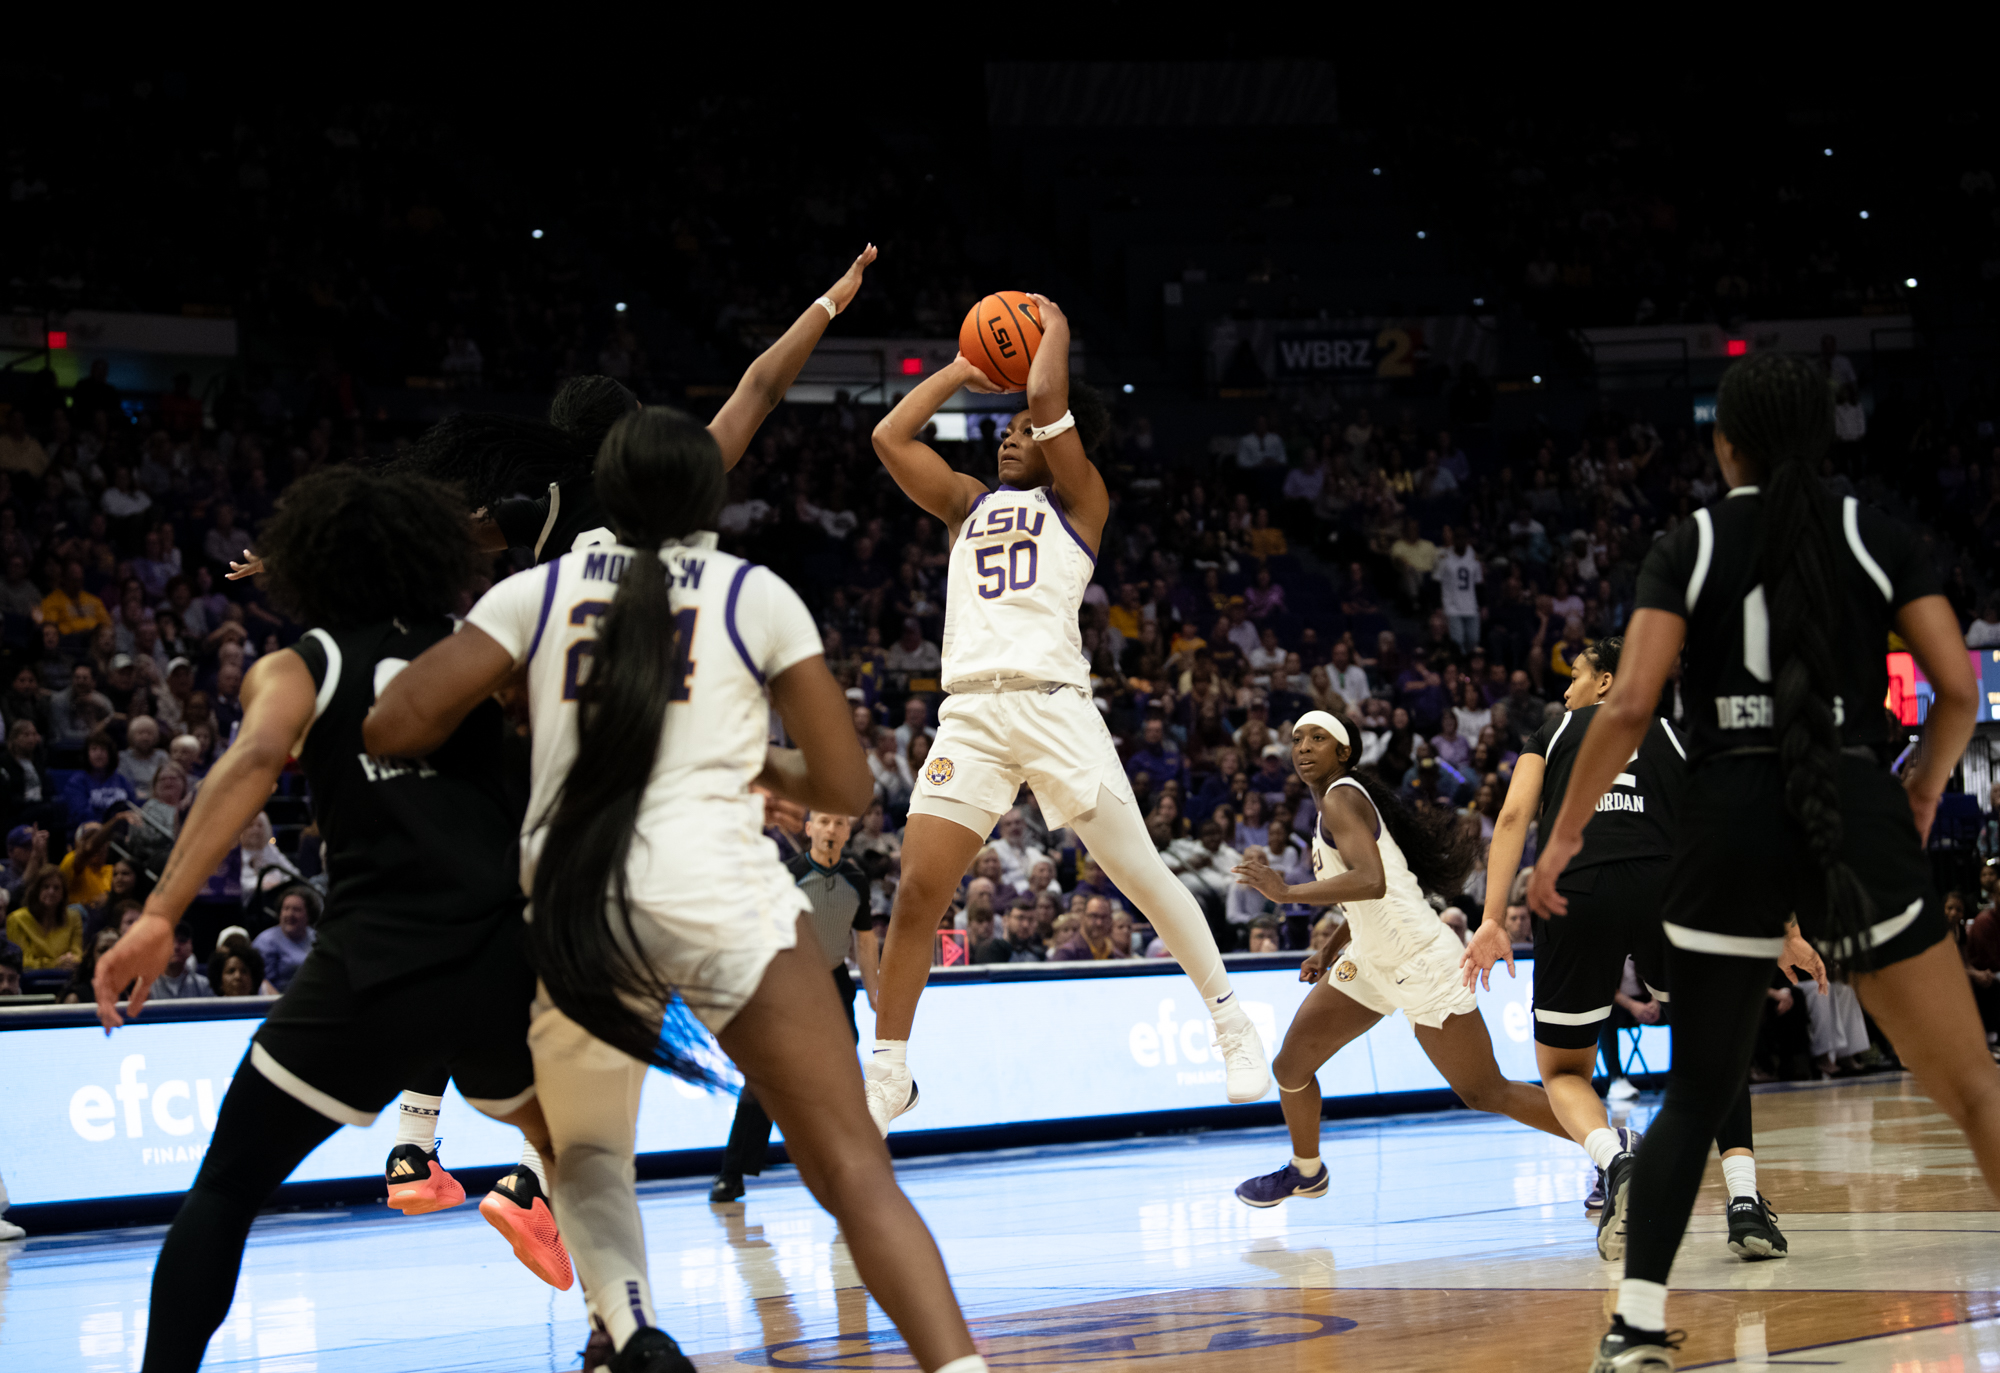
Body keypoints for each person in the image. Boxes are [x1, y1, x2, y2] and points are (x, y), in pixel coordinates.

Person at [364, 407, 988, 1373]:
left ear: (607, 497)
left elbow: (394, 722)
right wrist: (750, 760)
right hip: (721, 888)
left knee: (594, 1154)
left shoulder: (541, 590)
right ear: (713, 500)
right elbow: (846, 786)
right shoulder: (755, 594)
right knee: (855, 1169)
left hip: (582, 899)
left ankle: (630, 1324)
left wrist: (529, 714)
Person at [1524, 354, 2000, 1370]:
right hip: (1853, 805)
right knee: (1971, 1089)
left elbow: (1627, 702)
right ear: (1823, 439)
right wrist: (1914, 792)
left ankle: (1636, 1325)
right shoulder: (1873, 531)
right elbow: (1955, 690)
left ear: (1720, 443)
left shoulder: (1688, 542)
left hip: (1727, 815)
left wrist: (1561, 835)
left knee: (1695, 1090)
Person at [91, 467, 574, 1373]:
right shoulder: (484, 651)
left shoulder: (299, 664)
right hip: (499, 960)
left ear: (315, 564)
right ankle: (618, 1331)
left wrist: (160, 912)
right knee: (569, 1152)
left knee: (229, 1185)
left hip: (370, 964)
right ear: (430, 557)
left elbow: (251, 763)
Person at [866, 293, 1267, 1134]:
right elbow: (889, 439)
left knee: (1142, 875)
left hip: (1054, 706)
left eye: (1021, 429)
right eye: (1002, 428)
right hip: (971, 713)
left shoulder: (1080, 502)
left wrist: (1055, 327)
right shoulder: (964, 504)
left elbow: (1049, 403)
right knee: (915, 893)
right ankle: (890, 1067)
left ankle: (1232, 1021)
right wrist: (960, 370)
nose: (1010, 434)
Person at [1463, 636, 1817, 1264]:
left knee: (1565, 1071)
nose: (1566, 688)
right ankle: (1742, 1203)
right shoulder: (1672, 735)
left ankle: (1618, 1164)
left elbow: (1513, 819)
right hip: (1667, 889)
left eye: (1576, 675)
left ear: (1605, 682)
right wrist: (1785, 927)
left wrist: (1492, 919)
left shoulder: (1552, 731)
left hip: (1575, 890)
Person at [1230, 711, 1571, 1208]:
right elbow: (1373, 892)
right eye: (1297, 737)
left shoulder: (1342, 797)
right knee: (1291, 1066)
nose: (1303, 747)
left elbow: (1372, 881)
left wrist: (1286, 893)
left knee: (1486, 1092)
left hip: (1421, 961)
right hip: (1369, 962)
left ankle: (1612, 1149)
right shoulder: (1333, 805)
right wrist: (1328, 949)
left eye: (1317, 738)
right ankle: (1307, 1170)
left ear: (1343, 752)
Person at [710, 809, 879, 1204]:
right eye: (823, 821)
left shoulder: (856, 879)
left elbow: (865, 940)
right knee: (764, 1081)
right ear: (808, 829)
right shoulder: (786, 876)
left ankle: (853, 1174)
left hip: (835, 984)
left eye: (838, 823)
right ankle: (731, 1174)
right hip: (787, 983)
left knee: (843, 1083)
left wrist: (875, 995)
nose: (831, 829)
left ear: (848, 831)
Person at [7, 867, 83, 970]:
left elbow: (78, 955)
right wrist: (55, 964)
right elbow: (24, 962)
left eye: (56, 888)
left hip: (66, 977)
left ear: (63, 893)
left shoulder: (74, 917)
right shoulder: (16, 919)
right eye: (45, 887)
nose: (51, 891)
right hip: (30, 980)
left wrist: (72, 960)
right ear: (36, 890)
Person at [252, 889, 317, 993]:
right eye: (286, 909)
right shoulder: (265, 941)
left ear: (308, 915)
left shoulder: (316, 938)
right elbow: (261, 981)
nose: (290, 914)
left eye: (296, 910)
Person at [150, 922, 214, 999]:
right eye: (169, 942)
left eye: (182, 940)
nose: (176, 947)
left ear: (191, 947)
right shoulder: (146, 989)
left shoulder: (203, 986)